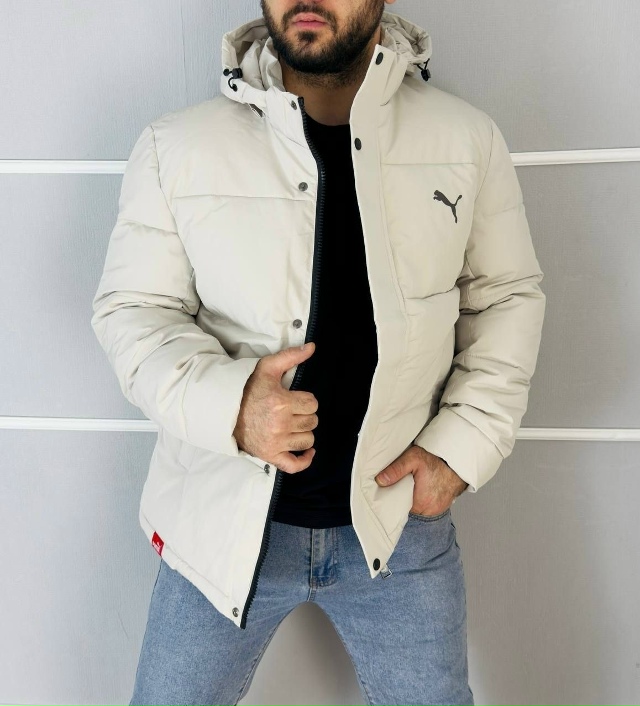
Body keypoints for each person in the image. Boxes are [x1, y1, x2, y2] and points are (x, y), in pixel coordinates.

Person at [91, 2, 546, 704]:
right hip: (216, 526)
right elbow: (134, 313)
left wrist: (460, 450)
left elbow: (506, 299)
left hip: (399, 529)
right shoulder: (175, 146)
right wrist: (235, 407)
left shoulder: (465, 139)